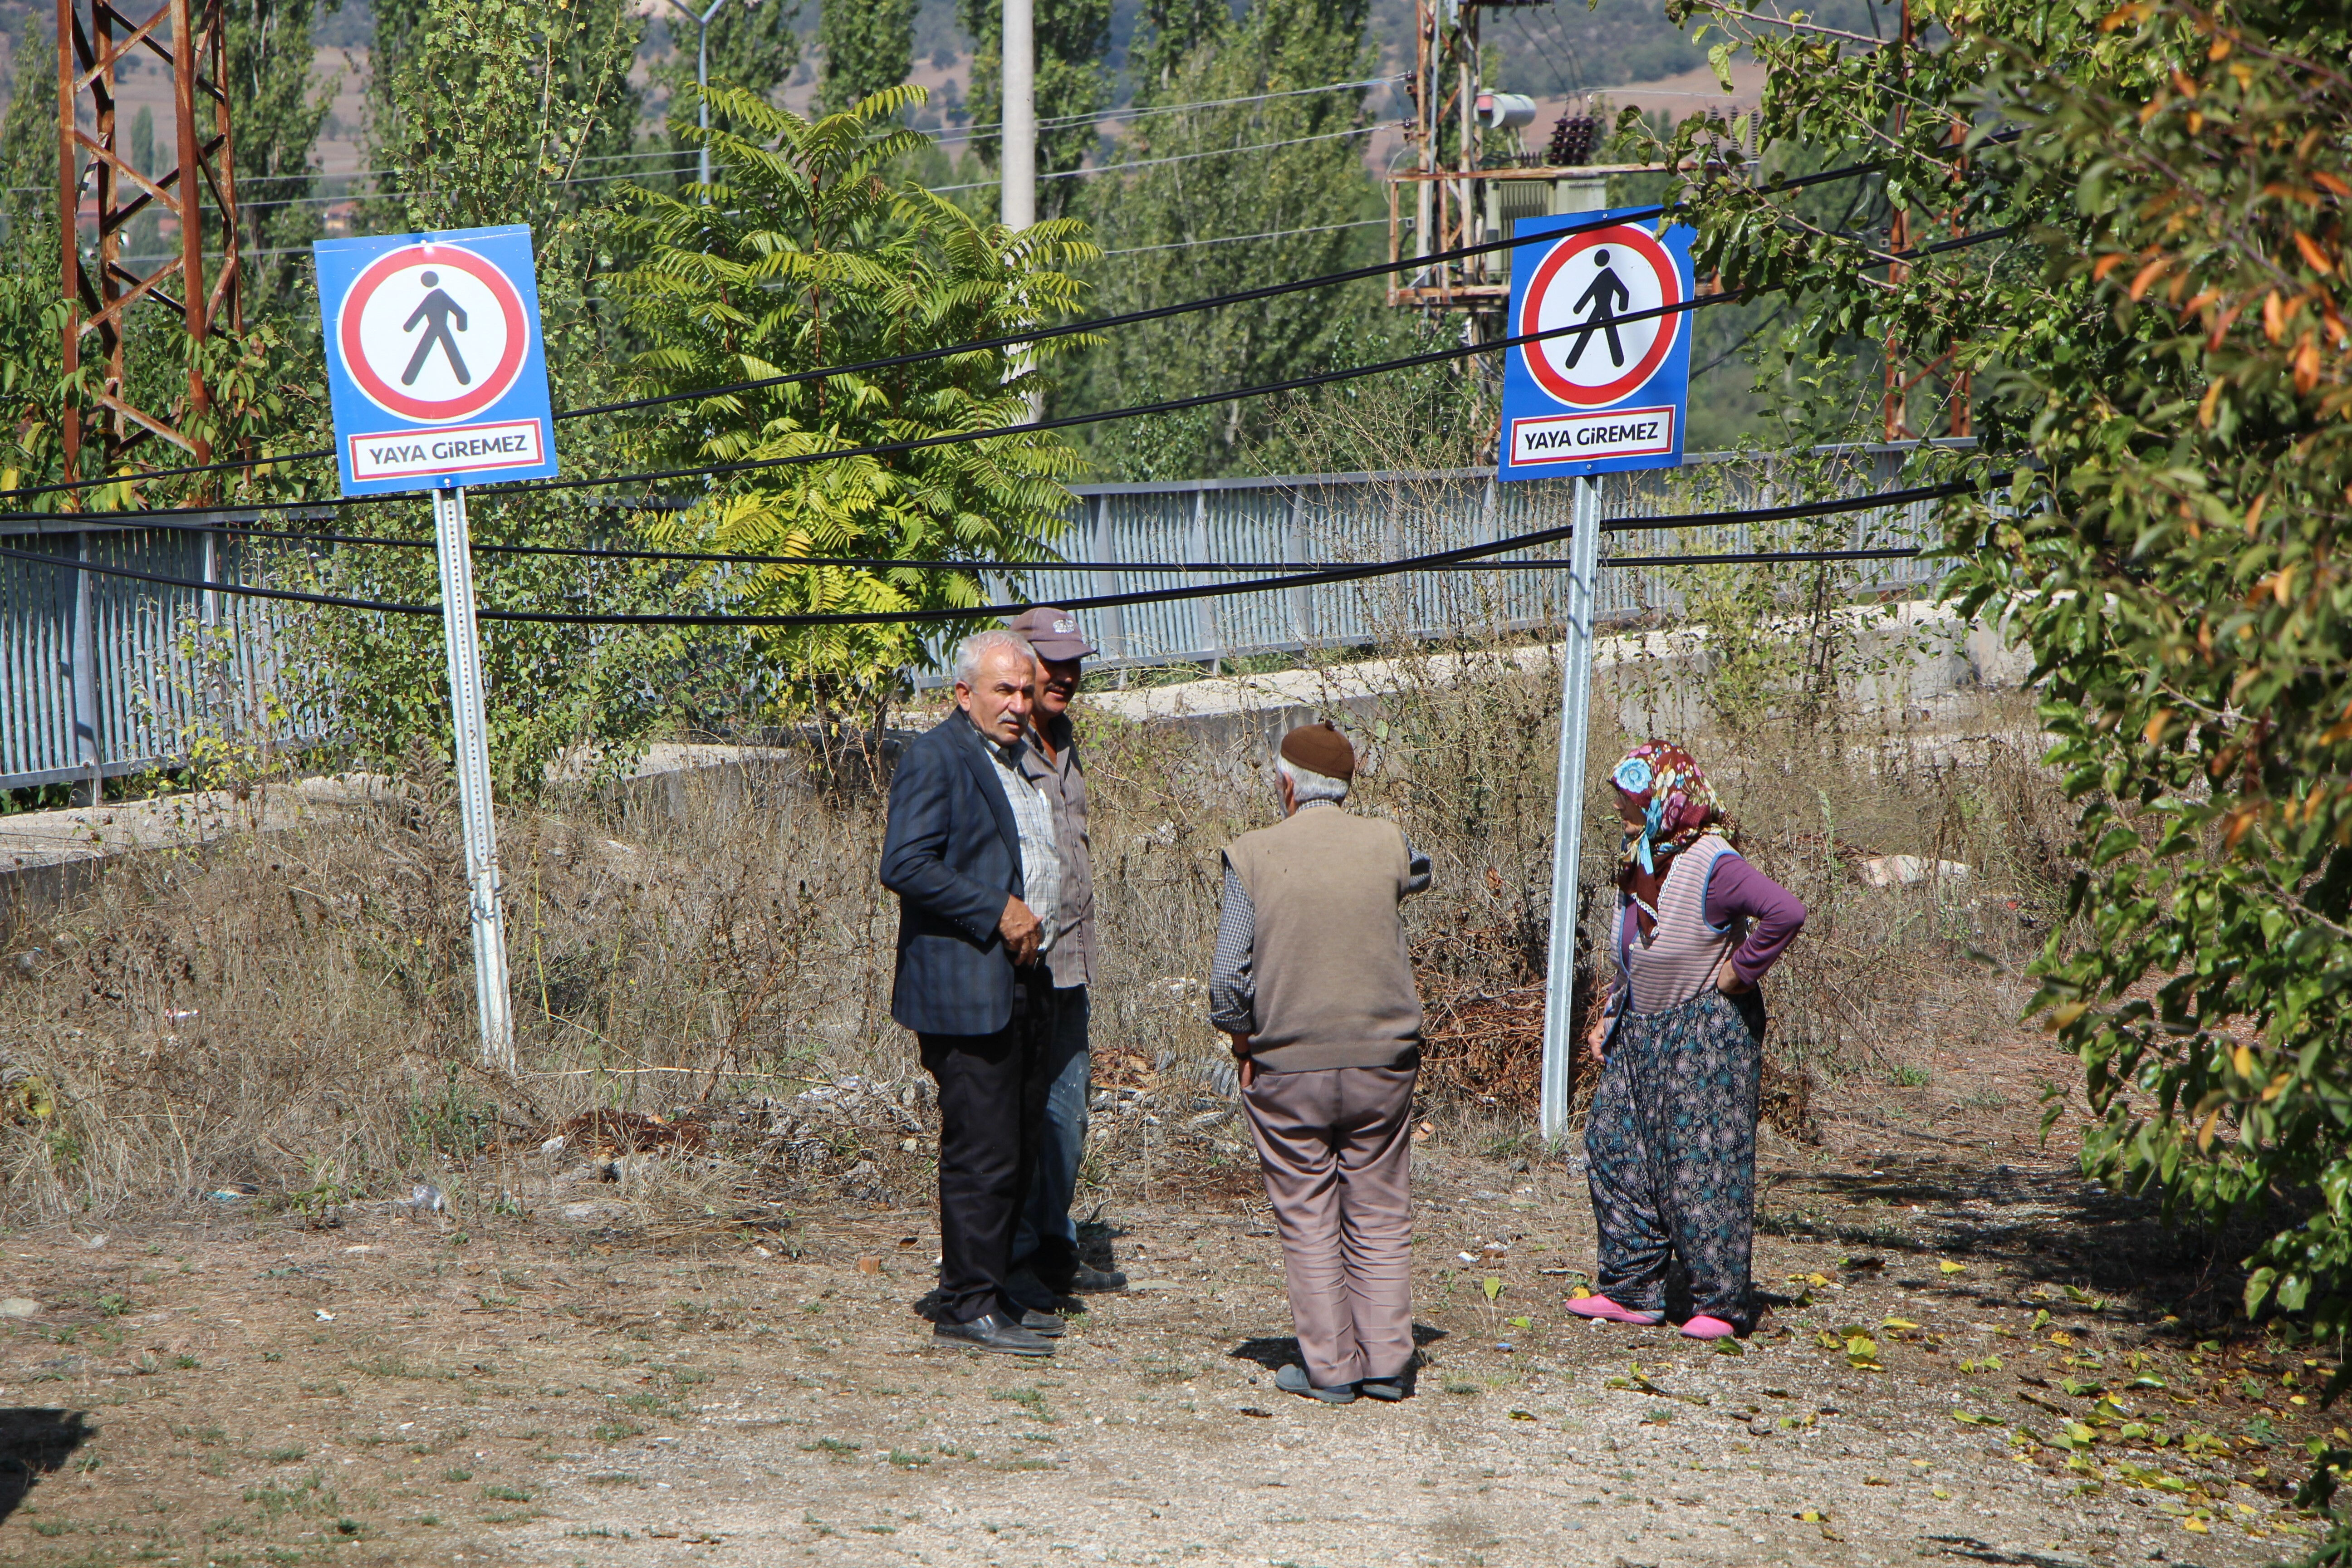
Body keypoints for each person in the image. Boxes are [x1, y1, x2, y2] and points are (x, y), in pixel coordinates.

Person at [1209, 723, 1431, 1405]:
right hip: (1383, 1064)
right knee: (1380, 1207)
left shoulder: (1250, 854)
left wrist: (1242, 1041)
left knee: (1308, 1210)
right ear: (1348, 784)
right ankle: (1389, 1363)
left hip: (1287, 1068)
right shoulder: (1387, 840)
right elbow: (1419, 871)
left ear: (1285, 784)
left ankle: (1331, 1370)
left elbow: (1227, 980)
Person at [1568, 741, 1807, 1341]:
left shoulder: (1712, 862)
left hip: (1706, 1028)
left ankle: (1719, 1302)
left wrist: (1738, 972)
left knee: (1701, 1162)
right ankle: (1632, 1291)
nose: (1622, 812)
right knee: (1616, 1144)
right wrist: (1611, 1014)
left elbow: (1785, 912)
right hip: (1643, 1025)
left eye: (1631, 801)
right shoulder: (1645, 857)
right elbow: (1636, 953)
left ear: (1666, 801)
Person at [879, 629, 1069, 1357]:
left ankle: (997, 1291)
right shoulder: (936, 756)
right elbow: (906, 862)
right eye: (1004, 691)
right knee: (982, 1150)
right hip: (965, 988)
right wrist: (996, 908)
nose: (1020, 704)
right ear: (964, 694)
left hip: (1023, 980)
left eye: (1026, 691)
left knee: (1018, 1144)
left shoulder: (1015, 761)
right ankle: (966, 1306)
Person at [1000, 607, 1128, 1310]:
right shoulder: (1002, 747)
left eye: (1076, 663)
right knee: (1016, 1118)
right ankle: (1016, 1258)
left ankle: (1054, 1245)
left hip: (1072, 965)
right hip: (1018, 967)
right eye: (1054, 663)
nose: (1068, 677)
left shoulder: (1066, 741)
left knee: (1066, 1117)